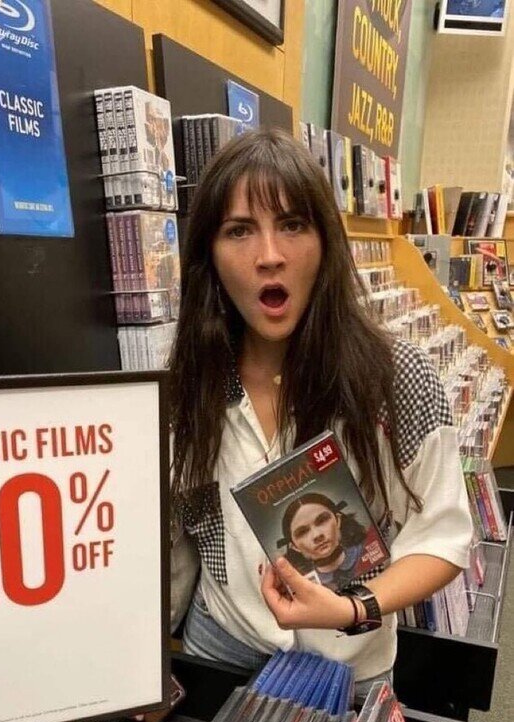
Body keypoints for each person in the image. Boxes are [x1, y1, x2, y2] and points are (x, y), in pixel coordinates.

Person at [168, 128, 472, 692]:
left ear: (326, 241)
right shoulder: (190, 384)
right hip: (219, 652)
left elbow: (442, 534)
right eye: (239, 230)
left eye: (292, 224)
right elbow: (182, 534)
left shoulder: (395, 377)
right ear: (209, 254)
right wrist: (151, 660)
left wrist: (355, 607)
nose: (269, 256)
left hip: (347, 670)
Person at [279, 493, 369, 589]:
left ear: (338, 520)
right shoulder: (303, 586)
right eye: (302, 532)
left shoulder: (368, 550)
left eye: (322, 520)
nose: (317, 535)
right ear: (294, 546)